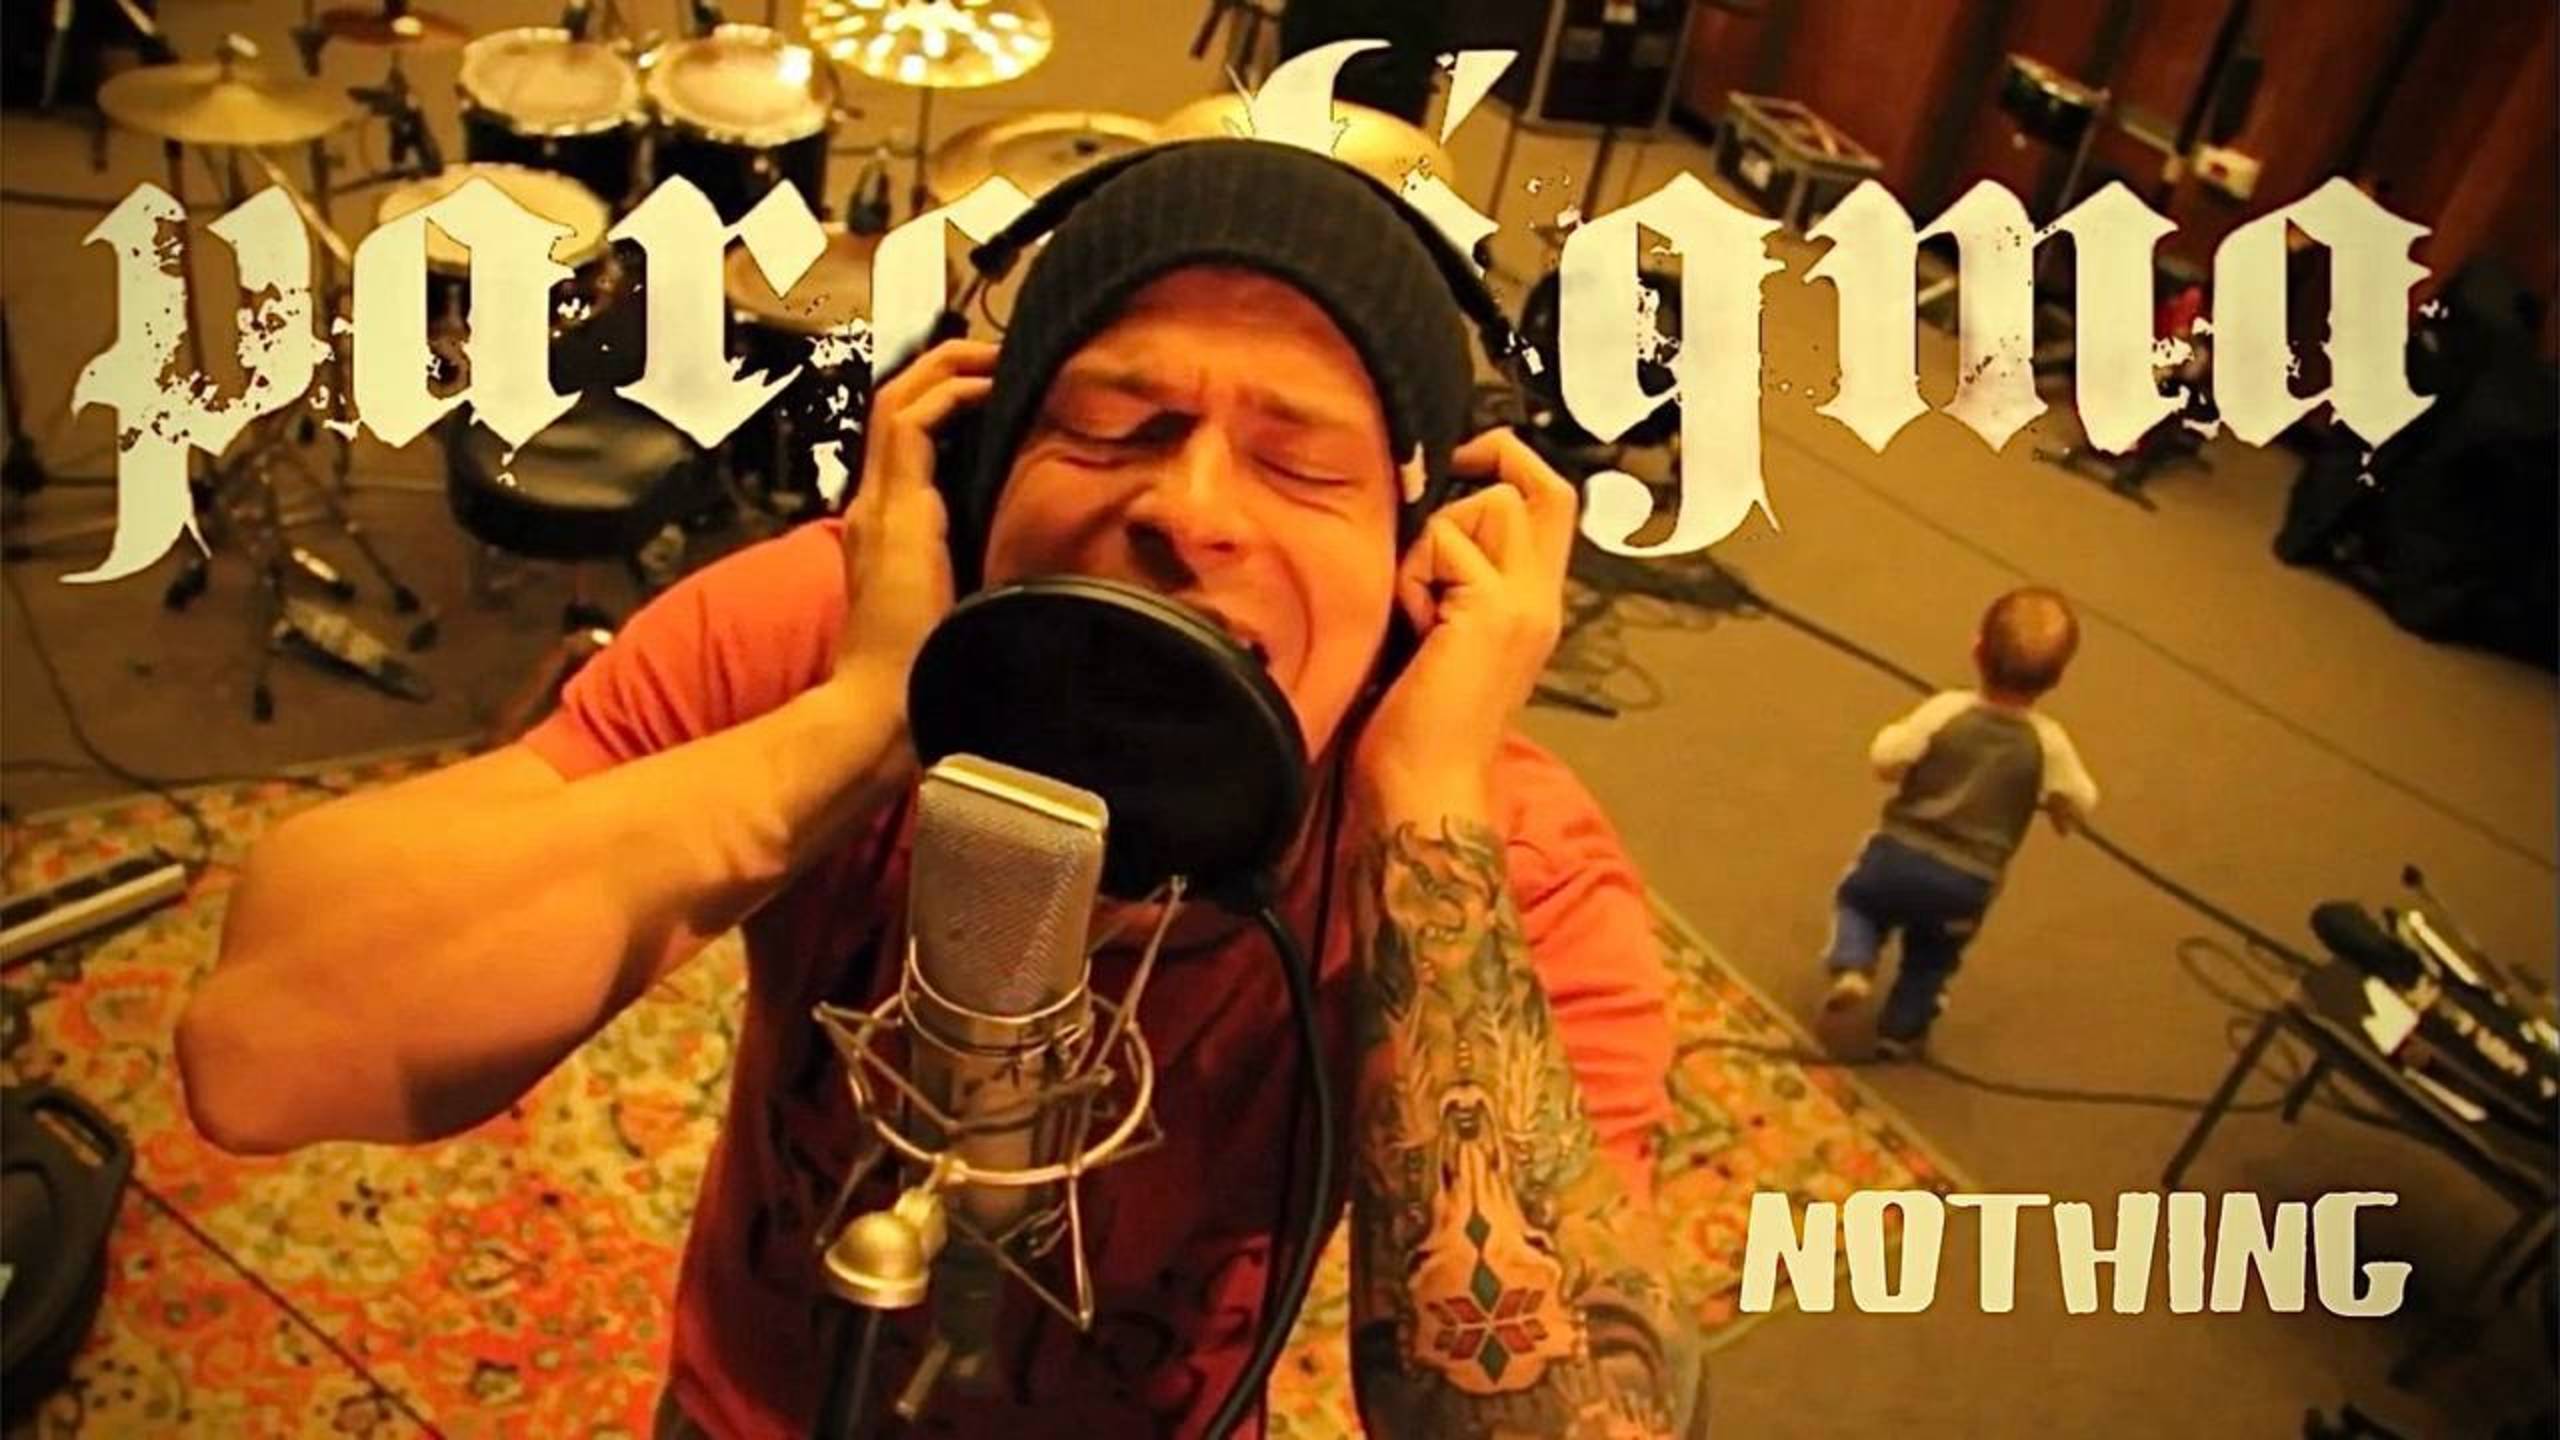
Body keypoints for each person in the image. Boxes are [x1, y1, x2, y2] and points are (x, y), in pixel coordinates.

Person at [176, 141, 1706, 1438]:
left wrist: (1423, 807)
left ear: (1423, 567)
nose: (1189, 510)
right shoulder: (844, 636)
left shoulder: (1491, 852)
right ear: (977, 490)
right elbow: (267, 1051)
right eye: (1113, 425)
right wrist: (865, 720)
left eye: (1302, 464)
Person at [1820, 586, 2100, 1057]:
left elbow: (1887, 757)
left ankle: (1853, 962)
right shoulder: (2049, 743)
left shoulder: (1947, 709)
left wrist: (1898, 768)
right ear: (2057, 678)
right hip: (1968, 882)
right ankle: (1900, 1031)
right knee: (1933, 959)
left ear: (1976, 649)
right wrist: (2059, 810)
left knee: (1859, 901)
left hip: (1898, 854)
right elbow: (2082, 800)